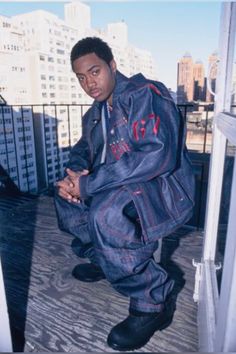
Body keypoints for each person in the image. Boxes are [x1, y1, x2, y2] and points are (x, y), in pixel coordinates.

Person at [54, 36, 195, 351]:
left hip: (164, 190)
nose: (89, 82)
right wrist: (73, 177)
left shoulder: (143, 94)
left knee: (106, 212)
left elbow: (157, 154)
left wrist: (90, 185)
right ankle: (107, 262)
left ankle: (152, 300)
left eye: (95, 71)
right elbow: (83, 149)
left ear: (112, 66)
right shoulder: (97, 111)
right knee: (66, 202)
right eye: (81, 77)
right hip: (123, 184)